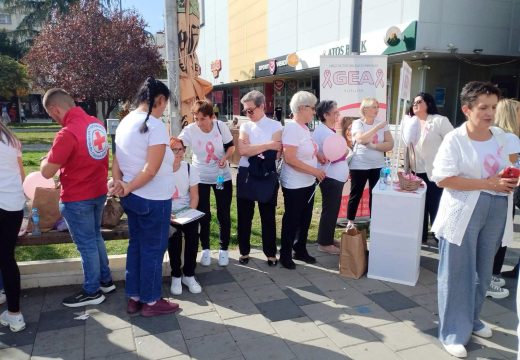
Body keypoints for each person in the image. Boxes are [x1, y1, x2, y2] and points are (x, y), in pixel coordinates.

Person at [431, 81, 516, 358]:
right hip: (463, 210)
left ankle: (473, 319)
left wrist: (510, 180)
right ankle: (453, 331)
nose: (490, 113)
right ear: (467, 109)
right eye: (483, 107)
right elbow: (443, 178)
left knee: (483, 270)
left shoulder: (502, 137)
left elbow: (512, 168)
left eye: (493, 107)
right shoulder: (455, 139)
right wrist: (488, 184)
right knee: (457, 271)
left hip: (497, 208)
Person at [41, 88, 115, 307]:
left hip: (77, 196)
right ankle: (105, 280)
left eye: (50, 114)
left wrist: (45, 159)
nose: (53, 119)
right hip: (98, 192)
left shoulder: (67, 133)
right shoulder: (95, 123)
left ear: (55, 109)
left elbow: (46, 172)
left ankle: (92, 291)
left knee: (87, 245)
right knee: (95, 238)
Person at [112, 77, 179, 317]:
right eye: (164, 105)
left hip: (134, 198)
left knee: (137, 247)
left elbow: (116, 161)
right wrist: (126, 186)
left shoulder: (125, 122)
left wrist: (121, 184)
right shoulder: (155, 125)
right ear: (159, 100)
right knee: (153, 249)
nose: (164, 110)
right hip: (153, 199)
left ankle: (134, 296)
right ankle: (150, 301)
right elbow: (150, 170)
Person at [179, 100, 235, 267]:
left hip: (221, 177)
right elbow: (178, 144)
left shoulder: (220, 127)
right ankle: (206, 249)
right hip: (200, 178)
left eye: (202, 118)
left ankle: (224, 248)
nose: (199, 122)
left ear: (212, 117)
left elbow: (231, 147)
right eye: (195, 118)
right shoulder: (190, 130)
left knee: (223, 213)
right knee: (203, 214)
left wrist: (225, 158)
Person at [279, 91, 325, 269]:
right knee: (292, 219)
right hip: (294, 183)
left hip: (307, 182)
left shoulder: (305, 128)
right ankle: (285, 254)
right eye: (312, 108)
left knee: (305, 218)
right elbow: (290, 158)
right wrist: (314, 170)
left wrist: (319, 156)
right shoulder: (292, 128)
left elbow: (307, 150)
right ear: (301, 108)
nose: (314, 112)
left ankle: (300, 249)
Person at [236, 90, 282, 266]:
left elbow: (274, 155)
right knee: (244, 216)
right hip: (246, 174)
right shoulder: (245, 126)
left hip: (266, 174)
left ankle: (270, 253)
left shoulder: (276, 126)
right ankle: (244, 251)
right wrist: (268, 144)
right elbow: (243, 151)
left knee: (268, 216)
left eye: (250, 110)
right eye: (245, 111)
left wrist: (258, 148)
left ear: (262, 106)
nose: (247, 114)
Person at [403, 93, 453, 245]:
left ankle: (440, 238)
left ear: (428, 104)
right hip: (415, 171)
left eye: (419, 101)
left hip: (435, 171)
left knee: (436, 205)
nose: (415, 104)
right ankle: (421, 236)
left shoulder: (439, 121)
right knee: (419, 206)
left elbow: (452, 142)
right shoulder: (410, 122)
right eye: (414, 102)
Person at [346, 98, 394, 229]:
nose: (377, 109)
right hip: (359, 165)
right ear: (365, 109)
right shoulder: (358, 123)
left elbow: (390, 144)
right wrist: (376, 127)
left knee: (376, 194)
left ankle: (375, 220)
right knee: (356, 193)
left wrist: (372, 146)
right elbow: (360, 139)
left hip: (378, 165)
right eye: (373, 107)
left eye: (377, 107)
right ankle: (350, 221)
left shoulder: (384, 125)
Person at [489, 98, 520, 299]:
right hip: (503, 193)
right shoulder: (511, 139)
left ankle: (489, 276)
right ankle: (489, 278)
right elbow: (511, 171)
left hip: (492, 192)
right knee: (500, 236)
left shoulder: (493, 135)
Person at [312, 100, 350, 254]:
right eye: (335, 113)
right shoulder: (323, 132)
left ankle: (327, 238)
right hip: (330, 178)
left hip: (335, 178)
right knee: (330, 209)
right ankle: (324, 244)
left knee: (332, 210)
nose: (338, 116)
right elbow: (331, 156)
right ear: (325, 115)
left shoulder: (328, 130)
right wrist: (345, 152)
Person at [168, 137, 202, 295]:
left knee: (193, 235)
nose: (178, 153)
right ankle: (175, 275)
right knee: (174, 237)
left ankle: (189, 274)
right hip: (167, 212)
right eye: (174, 149)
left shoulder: (189, 168)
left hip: (186, 210)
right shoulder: (161, 170)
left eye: (181, 149)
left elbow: (194, 196)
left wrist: (189, 213)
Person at [0, 121, 25, 331]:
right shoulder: (11, 140)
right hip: (14, 206)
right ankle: (15, 314)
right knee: (7, 258)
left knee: (5, 258)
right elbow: (22, 174)